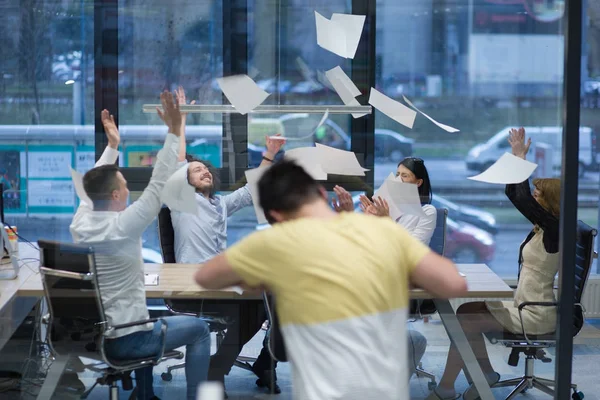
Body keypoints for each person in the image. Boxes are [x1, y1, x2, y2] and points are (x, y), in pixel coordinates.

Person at [194, 159, 468, 400]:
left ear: (275, 214)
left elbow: (205, 276)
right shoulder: (383, 231)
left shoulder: (271, 242)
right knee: (413, 339)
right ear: (320, 194)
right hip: (381, 388)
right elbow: (453, 284)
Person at [70, 92, 210, 400]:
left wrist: (112, 147)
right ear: (118, 196)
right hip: (127, 339)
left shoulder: (80, 223)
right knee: (199, 330)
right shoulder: (124, 226)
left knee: (148, 318)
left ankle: (143, 395)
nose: (128, 189)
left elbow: (88, 191)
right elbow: (159, 182)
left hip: (105, 331)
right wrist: (174, 131)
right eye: (123, 185)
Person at [426, 127, 561, 400]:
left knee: (463, 323)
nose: (533, 201)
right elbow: (515, 194)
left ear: (550, 204)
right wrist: (516, 158)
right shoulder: (545, 227)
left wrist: (519, 158)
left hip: (533, 312)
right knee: (463, 312)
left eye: (538, 198)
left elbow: (521, 198)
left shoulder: (556, 228)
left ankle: (446, 388)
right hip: (523, 303)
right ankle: (485, 374)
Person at [168, 87, 284, 394]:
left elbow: (249, 192)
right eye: (196, 170)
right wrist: (180, 122)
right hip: (194, 281)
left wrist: (270, 154)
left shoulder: (218, 204)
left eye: (205, 168)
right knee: (251, 307)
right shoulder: (181, 202)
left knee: (267, 301)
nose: (204, 171)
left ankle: (238, 362)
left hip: (220, 278)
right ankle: (221, 369)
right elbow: (178, 161)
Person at [332, 157, 437, 377]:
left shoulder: (427, 212)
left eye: (405, 175)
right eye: (397, 174)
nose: (398, 179)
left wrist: (385, 220)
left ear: (418, 183)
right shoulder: (383, 206)